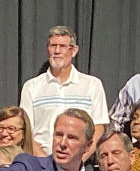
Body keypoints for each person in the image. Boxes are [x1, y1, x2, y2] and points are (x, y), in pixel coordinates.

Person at [19, 25, 109, 157]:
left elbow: (99, 127)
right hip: (40, 164)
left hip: (81, 164)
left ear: (74, 50)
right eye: (53, 46)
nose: (57, 51)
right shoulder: (32, 87)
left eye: (62, 46)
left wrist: (80, 160)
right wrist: (46, 166)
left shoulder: (92, 85)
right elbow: (27, 131)